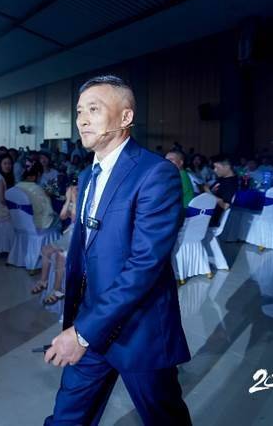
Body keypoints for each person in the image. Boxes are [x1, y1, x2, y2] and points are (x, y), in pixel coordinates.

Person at [45, 75, 192, 426]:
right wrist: (81, 324)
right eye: (79, 111)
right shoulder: (87, 176)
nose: (82, 120)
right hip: (90, 324)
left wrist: (82, 332)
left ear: (125, 117)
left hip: (138, 331)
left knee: (164, 418)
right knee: (66, 418)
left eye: (94, 110)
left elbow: (145, 265)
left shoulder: (155, 173)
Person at [16, 162, 58, 230]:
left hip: (19, 223)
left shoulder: (15, 187)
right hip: (38, 225)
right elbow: (49, 210)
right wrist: (47, 197)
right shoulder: (37, 189)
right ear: (38, 175)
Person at [203, 154, 239, 228]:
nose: (215, 170)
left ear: (227, 167)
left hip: (212, 220)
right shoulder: (223, 179)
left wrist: (209, 192)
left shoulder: (231, 184)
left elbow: (226, 206)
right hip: (207, 215)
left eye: (217, 167)